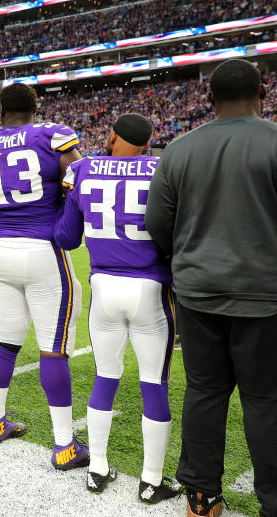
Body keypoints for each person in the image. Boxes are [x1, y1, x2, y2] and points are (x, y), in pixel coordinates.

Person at [145, 59, 277, 517]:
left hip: (198, 293)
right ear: (263, 89)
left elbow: (157, 224)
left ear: (207, 98)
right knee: (265, 401)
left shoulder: (179, 149)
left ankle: (200, 498)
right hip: (264, 296)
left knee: (204, 391)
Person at [54, 113, 178, 502]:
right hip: (149, 287)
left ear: (111, 137)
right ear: (147, 143)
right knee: (153, 383)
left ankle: (97, 468)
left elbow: (67, 237)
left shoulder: (83, 168)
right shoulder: (162, 167)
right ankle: (151, 481)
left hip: (104, 287)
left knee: (105, 377)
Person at [0, 82, 86, 469]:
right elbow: (80, 173)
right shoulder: (51, 135)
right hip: (41, 250)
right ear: (36, 107)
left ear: (0, 108)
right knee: (53, 346)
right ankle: (65, 444)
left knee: (5, 337)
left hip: (0, 249)